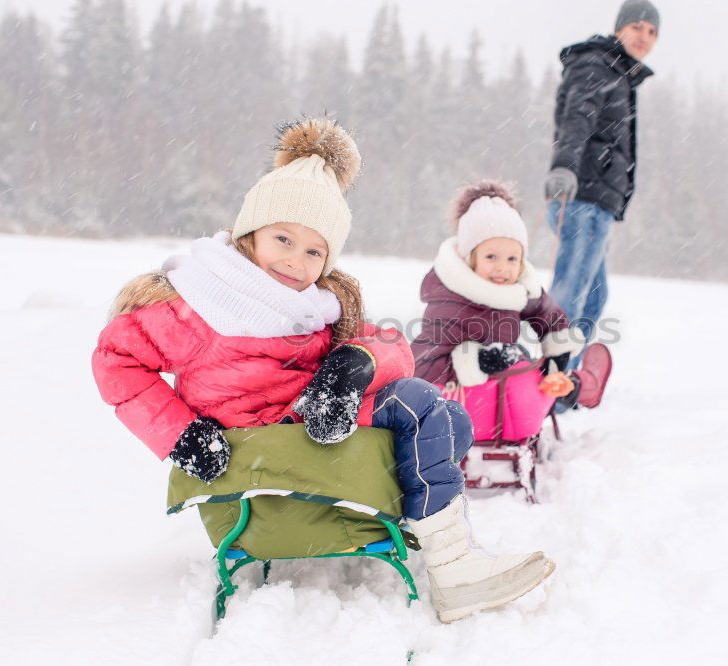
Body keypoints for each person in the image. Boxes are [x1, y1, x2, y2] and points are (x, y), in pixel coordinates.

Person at [90, 118, 554, 623]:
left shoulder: (317, 306)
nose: (296, 261)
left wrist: (350, 367)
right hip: (250, 459)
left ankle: (452, 558)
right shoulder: (199, 300)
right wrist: (182, 433)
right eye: (283, 239)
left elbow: (393, 345)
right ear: (250, 233)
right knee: (424, 410)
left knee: (445, 419)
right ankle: (453, 565)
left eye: (315, 251)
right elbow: (117, 361)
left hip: (306, 432)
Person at [411, 180, 613, 428]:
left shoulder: (516, 288)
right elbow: (423, 364)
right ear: (468, 258)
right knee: (523, 370)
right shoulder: (450, 299)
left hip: (499, 395)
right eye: (491, 257)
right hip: (459, 406)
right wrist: (477, 359)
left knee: (531, 369)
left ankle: (572, 385)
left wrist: (557, 351)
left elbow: (545, 312)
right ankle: (579, 385)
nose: (502, 268)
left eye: (512, 258)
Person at [544, 0, 659, 359]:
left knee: (593, 296)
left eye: (652, 32)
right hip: (582, 195)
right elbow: (577, 116)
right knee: (572, 293)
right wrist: (564, 166)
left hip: (599, 200)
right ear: (620, 27)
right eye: (637, 27)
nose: (644, 37)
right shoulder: (597, 64)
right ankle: (553, 379)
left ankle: (568, 377)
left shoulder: (620, 74)